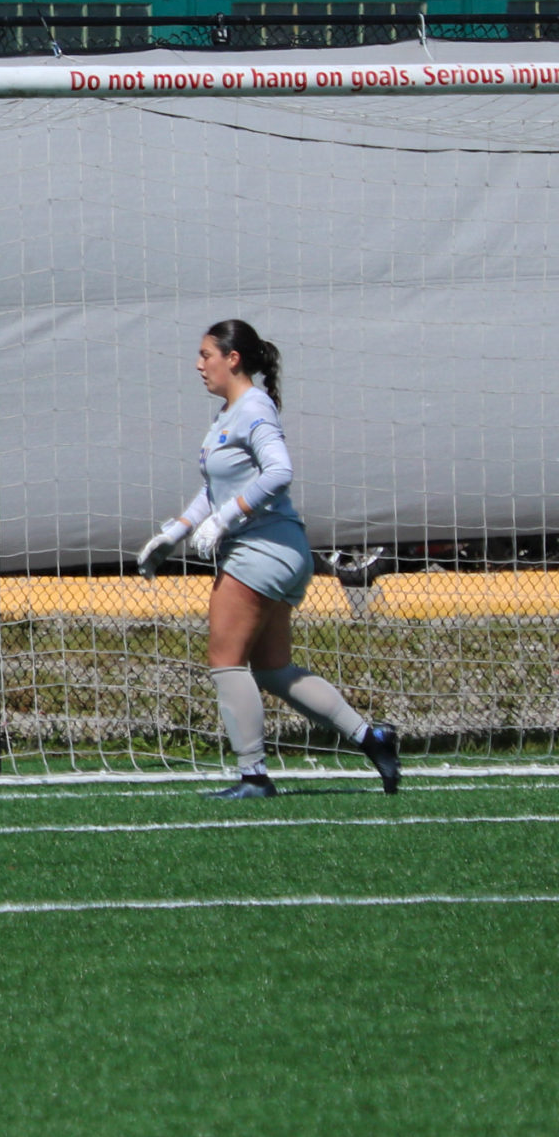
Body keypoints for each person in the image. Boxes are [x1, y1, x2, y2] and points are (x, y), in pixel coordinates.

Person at [137, 320, 400, 798]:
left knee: (226, 660)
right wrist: (176, 532)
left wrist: (226, 520)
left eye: (205, 355)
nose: (198, 365)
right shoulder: (228, 412)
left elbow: (279, 471)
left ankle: (253, 775)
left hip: (262, 549)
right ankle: (371, 736)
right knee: (274, 669)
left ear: (232, 359)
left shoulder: (254, 407)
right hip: (278, 549)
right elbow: (216, 487)